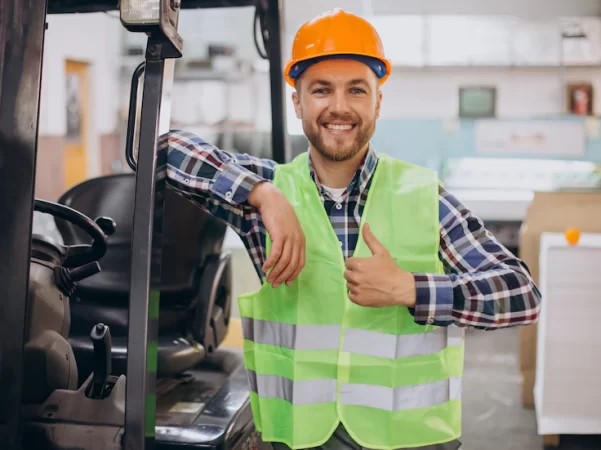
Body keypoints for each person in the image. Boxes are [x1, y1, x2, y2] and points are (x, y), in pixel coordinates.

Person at [159, 8, 541, 450]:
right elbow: (162, 149)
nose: (339, 107)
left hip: (411, 441)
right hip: (298, 440)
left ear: (378, 101)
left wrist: (411, 289)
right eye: (321, 90)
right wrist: (261, 193)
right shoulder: (265, 196)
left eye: (356, 90)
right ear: (297, 102)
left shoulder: (424, 195)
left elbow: (521, 294)